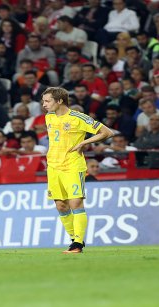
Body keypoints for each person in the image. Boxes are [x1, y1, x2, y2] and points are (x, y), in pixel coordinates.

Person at [42, 87, 113, 254]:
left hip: (73, 165)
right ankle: (74, 239)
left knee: (75, 203)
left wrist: (83, 143)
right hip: (53, 166)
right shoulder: (49, 117)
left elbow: (107, 132)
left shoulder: (78, 118)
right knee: (61, 205)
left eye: (47, 101)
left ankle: (78, 244)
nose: (44, 104)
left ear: (59, 101)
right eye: (43, 101)